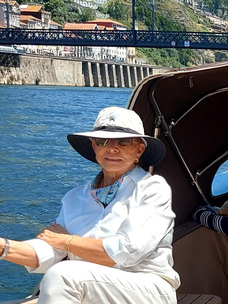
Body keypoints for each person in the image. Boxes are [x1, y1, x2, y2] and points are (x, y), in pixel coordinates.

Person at [0, 107, 179, 303]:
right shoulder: (74, 198)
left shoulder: (152, 189)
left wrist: (67, 241)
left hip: (147, 288)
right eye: (103, 141)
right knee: (62, 275)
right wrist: (3, 247)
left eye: (124, 142)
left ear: (139, 150)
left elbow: (126, 252)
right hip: (87, 284)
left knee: (62, 275)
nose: (112, 148)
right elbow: (50, 250)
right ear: (94, 147)